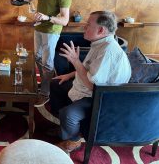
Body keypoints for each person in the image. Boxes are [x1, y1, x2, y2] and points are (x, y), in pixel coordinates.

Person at [49, 11, 131, 152]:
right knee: (56, 84)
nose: (84, 27)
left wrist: (75, 60)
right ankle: (64, 129)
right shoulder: (100, 43)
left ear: (100, 30)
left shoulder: (108, 52)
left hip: (102, 98)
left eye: (88, 25)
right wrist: (69, 75)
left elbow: (93, 86)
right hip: (91, 87)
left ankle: (74, 141)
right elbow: (90, 70)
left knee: (68, 114)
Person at [13, 0, 72, 107]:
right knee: (38, 58)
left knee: (47, 63)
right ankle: (44, 85)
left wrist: (47, 17)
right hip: (39, 27)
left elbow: (65, 20)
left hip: (51, 30)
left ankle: (46, 93)